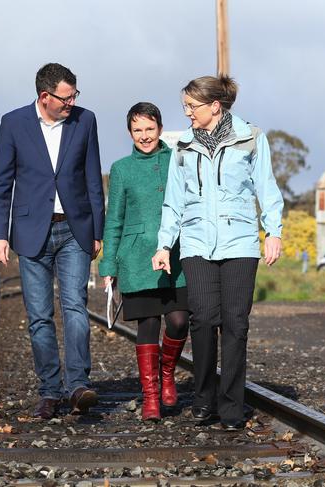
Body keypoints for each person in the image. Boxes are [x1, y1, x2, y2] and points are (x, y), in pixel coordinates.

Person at [152, 75, 283, 431]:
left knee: (236, 325)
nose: (187, 114)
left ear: (215, 106)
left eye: (192, 107)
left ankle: (230, 408)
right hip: (196, 243)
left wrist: (273, 232)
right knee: (204, 320)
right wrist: (165, 244)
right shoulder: (183, 146)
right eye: (185, 107)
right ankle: (204, 398)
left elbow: (266, 188)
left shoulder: (251, 138)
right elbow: (173, 201)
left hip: (240, 242)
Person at [0, 63, 105, 420]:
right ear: (45, 96)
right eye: (66, 97)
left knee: (75, 308)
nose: (72, 102)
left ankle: (77, 386)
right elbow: (0, 183)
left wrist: (97, 230)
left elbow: (93, 179)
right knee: (39, 318)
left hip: (74, 229)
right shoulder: (13, 123)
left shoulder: (85, 121)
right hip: (30, 232)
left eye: (74, 95)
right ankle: (50, 391)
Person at [99, 103, 189, 421]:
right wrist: (108, 265)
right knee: (148, 326)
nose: (144, 136)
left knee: (179, 320)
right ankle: (151, 397)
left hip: (176, 255)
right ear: (130, 133)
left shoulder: (177, 159)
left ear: (161, 129)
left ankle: (167, 373)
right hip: (136, 258)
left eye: (150, 129)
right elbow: (114, 220)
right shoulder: (121, 168)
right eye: (138, 130)